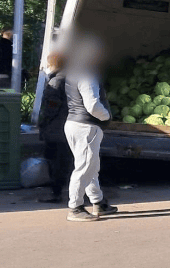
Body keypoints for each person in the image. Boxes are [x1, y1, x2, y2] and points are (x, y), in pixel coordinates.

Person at [64, 35, 117, 222]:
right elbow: (92, 105)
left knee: (90, 166)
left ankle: (98, 202)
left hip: (75, 123)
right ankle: (75, 208)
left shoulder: (74, 71)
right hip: (86, 126)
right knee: (84, 167)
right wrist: (107, 116)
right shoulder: (87, 74)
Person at [37, 52, 73, 203]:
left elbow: (51, 107)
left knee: (55, 161)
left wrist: (43, 123)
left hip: (56, 128)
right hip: (69, 126)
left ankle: (56, 193)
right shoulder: (72, 78)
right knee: (66, 161)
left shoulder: (56, 81)